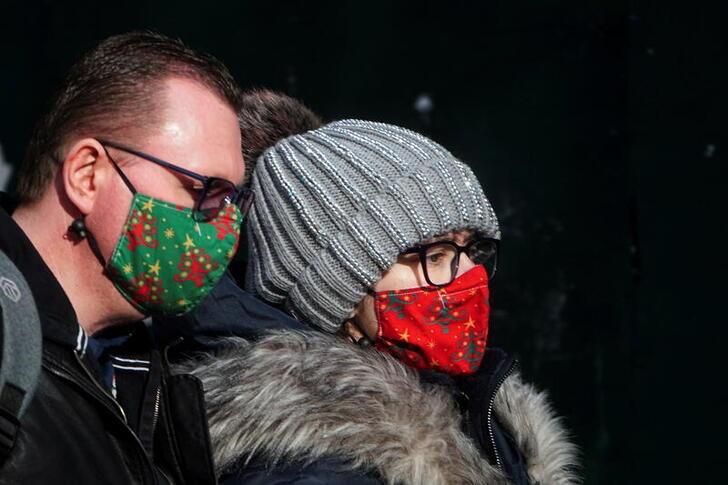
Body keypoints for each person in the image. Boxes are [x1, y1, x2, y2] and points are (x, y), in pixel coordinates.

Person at [182, 120, 580, 483]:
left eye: (470, 250)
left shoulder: (475, 410)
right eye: (434, 257)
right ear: (339, 291)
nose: (466, 277)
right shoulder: (306, 469)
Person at [0, 31, 251, 484]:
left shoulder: (146, 365)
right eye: (202, 192)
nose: (225, 229)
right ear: (86, 176)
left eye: (231, 201)